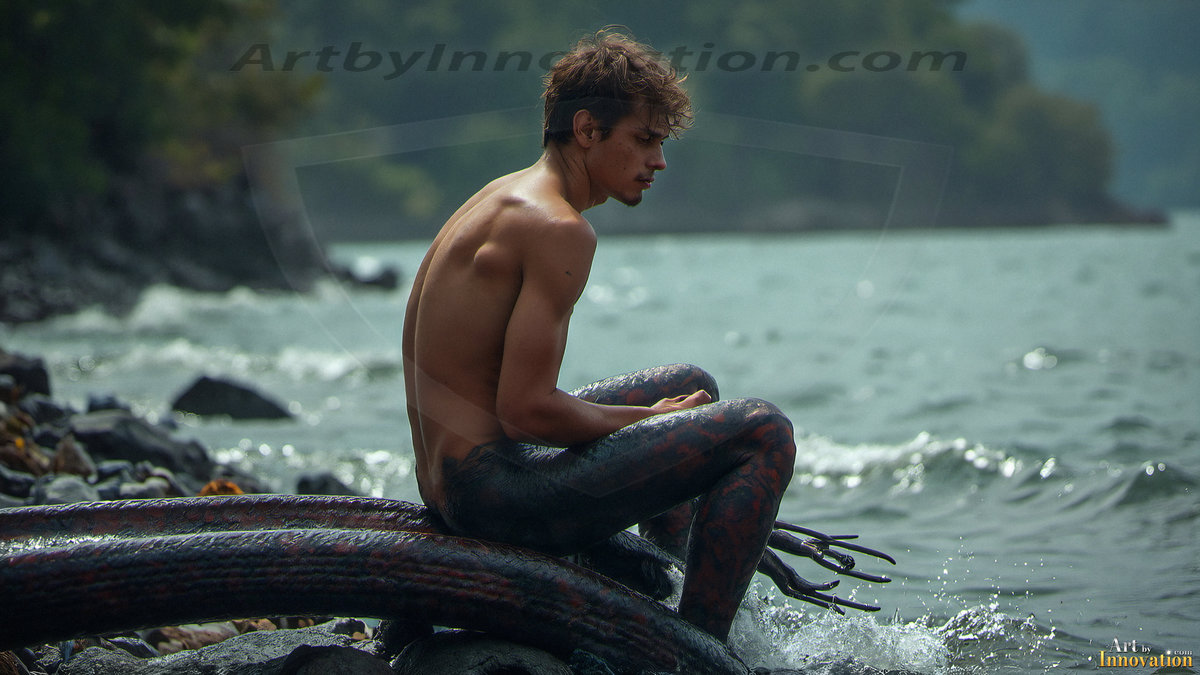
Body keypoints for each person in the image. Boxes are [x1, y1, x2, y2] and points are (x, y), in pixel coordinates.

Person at [402, 28, 796, 642]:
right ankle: (697, 648)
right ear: (587, 130)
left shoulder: (501, 197)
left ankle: (664, 581)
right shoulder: (559, 228)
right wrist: (651, 423)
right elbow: (525, 411)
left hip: (448, 482)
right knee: (764, 431)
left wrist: (662, 420)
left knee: (690, 384)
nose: (658, 161)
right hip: (490, 497)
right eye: (644, 140)